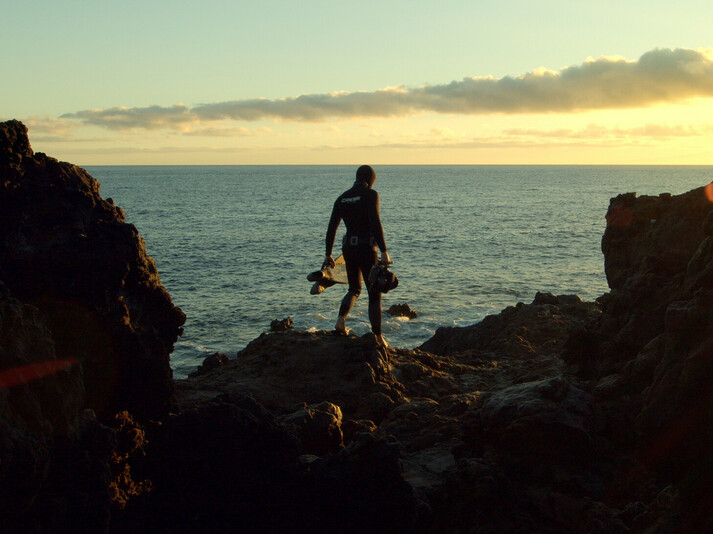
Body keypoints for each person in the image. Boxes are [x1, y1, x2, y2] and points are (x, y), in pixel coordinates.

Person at [324, 165, 391, 346]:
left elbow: (332, 228)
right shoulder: (371, 195)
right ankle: (378, 337)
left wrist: (328, 254)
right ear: (370, 180)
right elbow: (375, 221)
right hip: (367, 248)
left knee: (354, 289)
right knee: (374, 292)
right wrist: (384, 250)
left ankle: (340, 321)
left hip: (348, 249)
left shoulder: (342, 199)